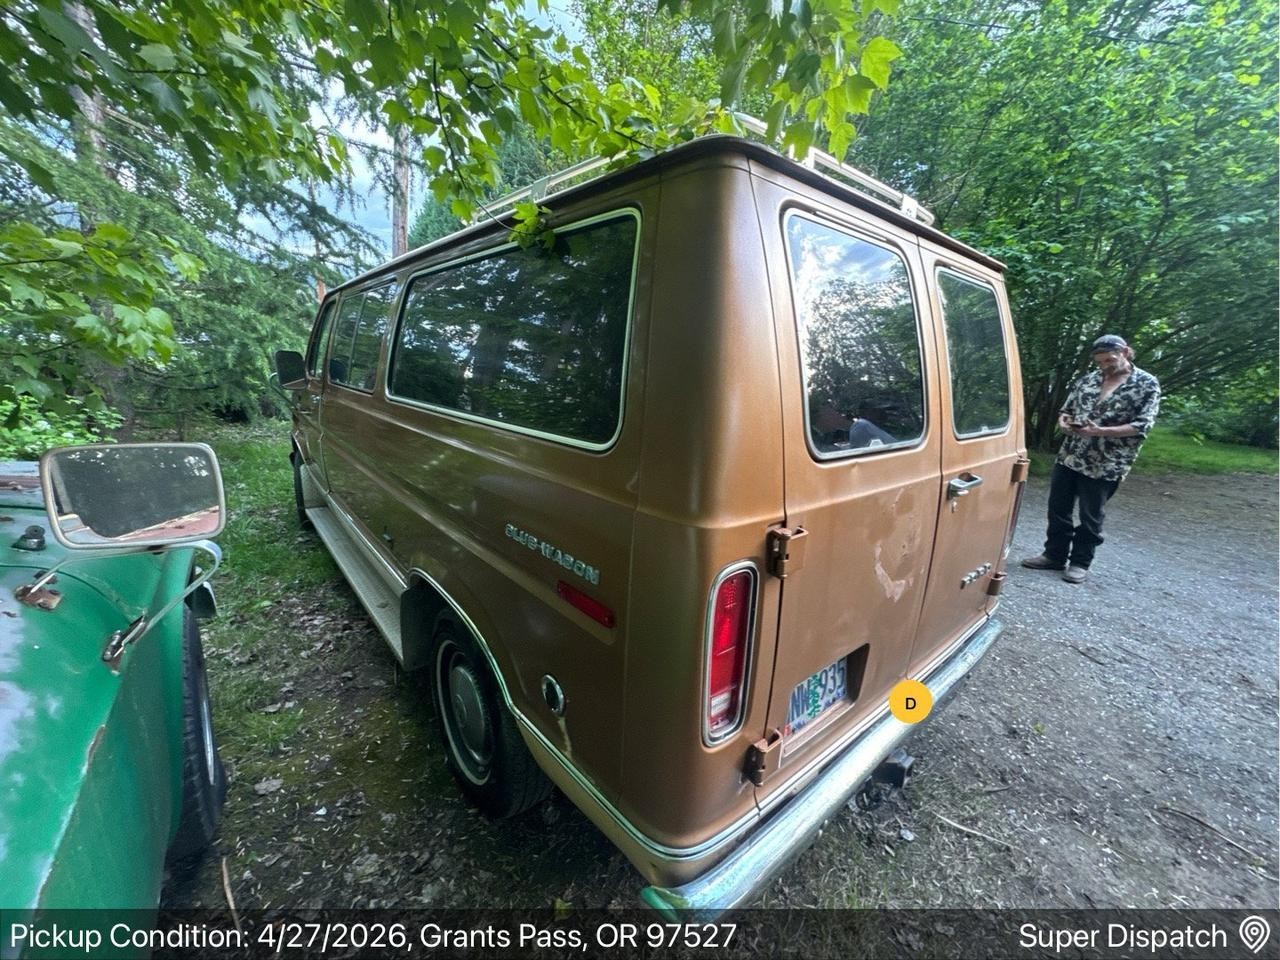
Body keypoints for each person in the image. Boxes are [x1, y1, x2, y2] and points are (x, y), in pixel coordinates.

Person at [1022, 334, 1160, 583]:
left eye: (1110, 360)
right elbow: (1066, 410)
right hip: (1070, 455)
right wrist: (1064, 421)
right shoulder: (1088, 379)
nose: (1105, 366)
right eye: (1100, 362)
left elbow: (1142, 426)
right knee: (1058, 509)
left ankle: (1080, 562)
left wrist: (1100, 431)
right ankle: (1053, 556)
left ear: (1125, 352)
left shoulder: (1146, 383)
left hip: (1107, 462)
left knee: (1090, 516)